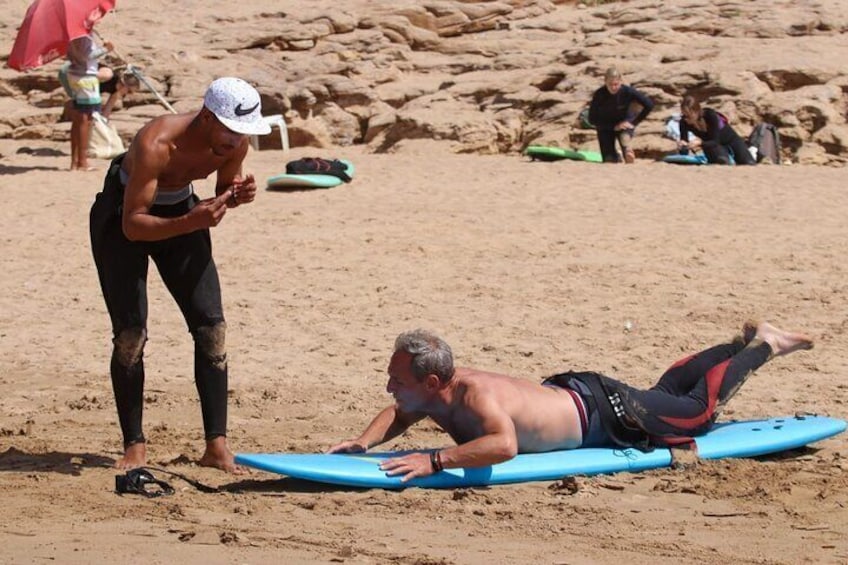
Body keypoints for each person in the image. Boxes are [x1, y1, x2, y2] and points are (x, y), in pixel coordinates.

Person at [329, 322, 813, 482]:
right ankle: (735, 345)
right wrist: (364, 442)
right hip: (581, 393)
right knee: (667, 396)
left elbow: (503, 445)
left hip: (609, 414)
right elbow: (398, 413)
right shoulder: (430, 393)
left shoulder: (477, 395)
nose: (390, 386)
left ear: (432, 380)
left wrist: (435, 460)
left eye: (396, 378)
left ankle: (764, 345)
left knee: (698, 415)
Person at [89, 77, 271, 472]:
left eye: (244, 132)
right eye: (231, 130)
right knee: (130, 336)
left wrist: (236, 195)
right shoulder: (156, 143)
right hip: (123, 218)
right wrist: (193, 219)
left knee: (212, 329)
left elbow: (223, 188)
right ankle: (134, 444)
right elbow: (133, 226)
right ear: (207, 116)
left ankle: (216, 446)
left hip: (183, 215)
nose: (237, 141)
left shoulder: (235, 143)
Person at [58, 34, 114, 171]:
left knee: (78, 119)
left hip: (75, 76)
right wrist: (106, 49)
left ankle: (75, 161)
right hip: (86, 79)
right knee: (85, 119)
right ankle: (82, 162)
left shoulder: (72, 34)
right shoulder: (83, 36)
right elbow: (88, 56)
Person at [588, 67, 654, 163]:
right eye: (610, 84)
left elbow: (649, 105)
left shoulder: (627, 91)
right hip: (605, 127)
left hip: (624, 123)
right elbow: (592, 119)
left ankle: (627, 151)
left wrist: (634, 122)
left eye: (616, 84)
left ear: (621, 82)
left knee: (625, 138)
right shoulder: (599, 94)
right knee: (609, 160)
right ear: (605, 82)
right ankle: (616, 156)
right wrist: (613, 127)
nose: (613, 87)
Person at [678, 96, 756, 165]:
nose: (685, 118)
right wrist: (682, 146)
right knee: (721, 161)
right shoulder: (683, 122)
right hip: (712, 146)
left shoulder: (710, 115)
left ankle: (752, 150)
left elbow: (715, 140)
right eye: (683, 115)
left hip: (729, 139)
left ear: (696, 112)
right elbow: (684, 152)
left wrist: (700, 143)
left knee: (749, 163)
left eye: (687, 115)